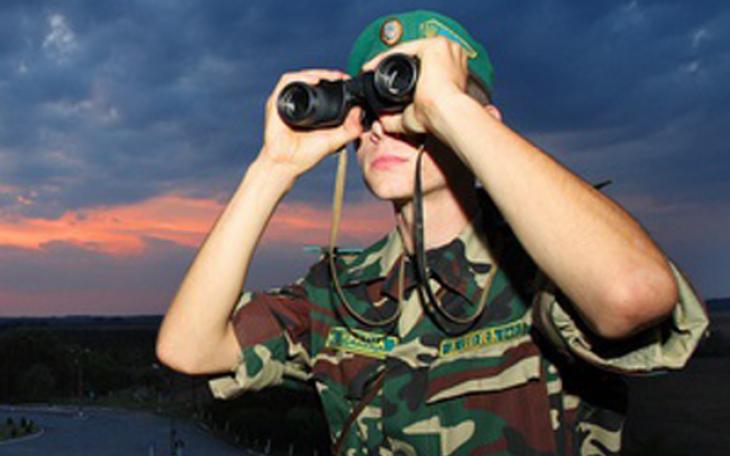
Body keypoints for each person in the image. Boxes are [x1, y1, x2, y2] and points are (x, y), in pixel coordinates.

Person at [157, 10, 708, 455]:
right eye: (369, 107)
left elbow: (633, 295)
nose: (385, 123)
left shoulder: (543, 266)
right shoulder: (343, 292)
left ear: (478, 121)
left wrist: (447, 108)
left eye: (406, 97)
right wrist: (272, 167)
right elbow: (189, 348)